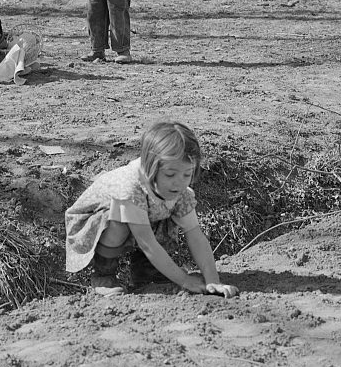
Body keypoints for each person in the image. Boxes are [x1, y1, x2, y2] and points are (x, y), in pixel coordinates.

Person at [64, 120, 240, 298]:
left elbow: (196, 236)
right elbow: (146, 243)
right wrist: (185, 280)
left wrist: (213, 281)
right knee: (117, 221)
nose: (179, 182)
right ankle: (104, 276)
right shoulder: (130, 187)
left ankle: (147, 273)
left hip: (145, 217)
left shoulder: (181, 193)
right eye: (170, 174)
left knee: (166, 218)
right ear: (151, 168)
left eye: (187, 174)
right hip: (93, 223)